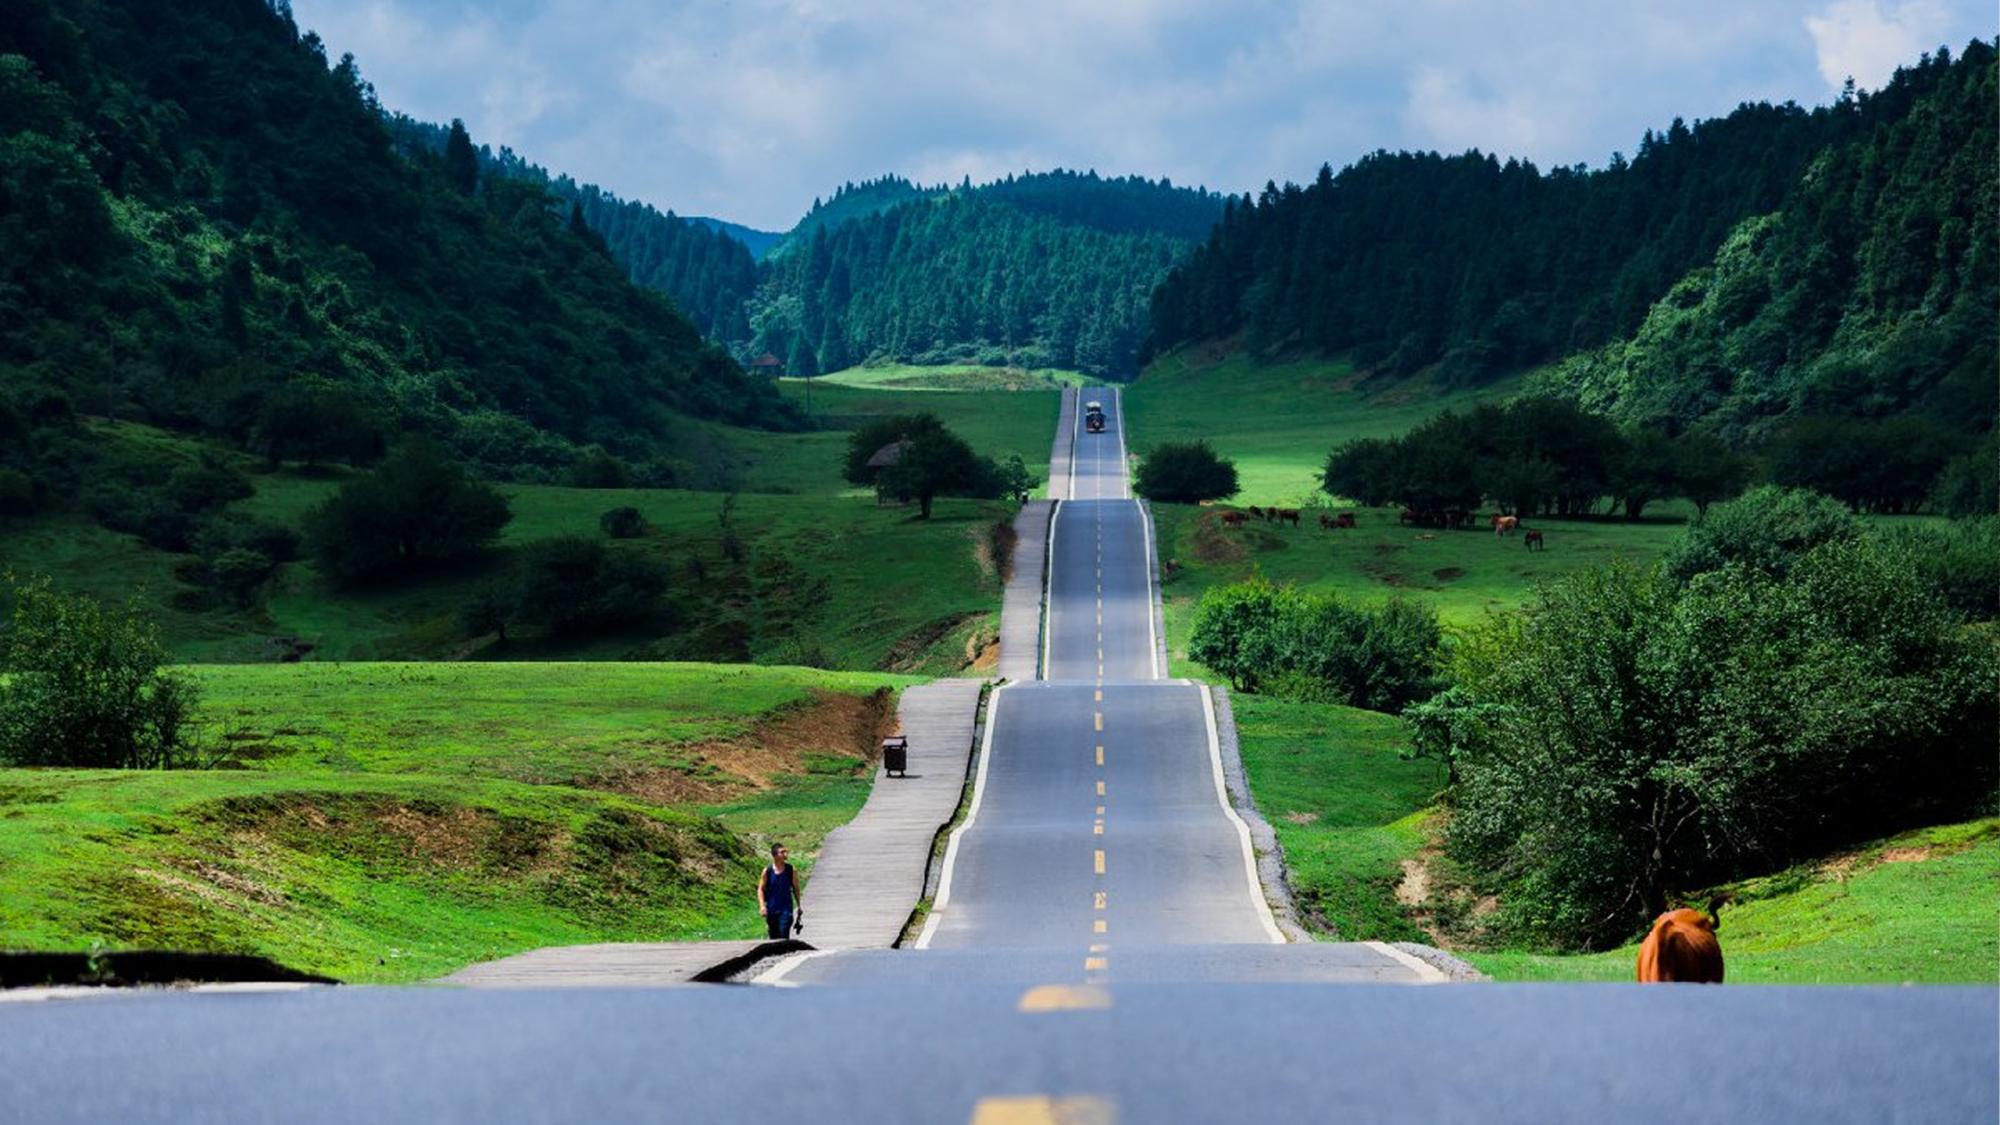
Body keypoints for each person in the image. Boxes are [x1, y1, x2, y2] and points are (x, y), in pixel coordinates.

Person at [757, 842, 801, 940]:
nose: (785, 854)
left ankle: (786, 954)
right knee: (774, 939)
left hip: (786, 910)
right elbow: (760, 889)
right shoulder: (767, 871)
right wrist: (762, 906)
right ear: (775, 855)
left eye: (786, 852)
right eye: (782, 852)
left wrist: (799, 906)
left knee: (783, 934)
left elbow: (796, 888)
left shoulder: (791, 870)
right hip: (771, 911)